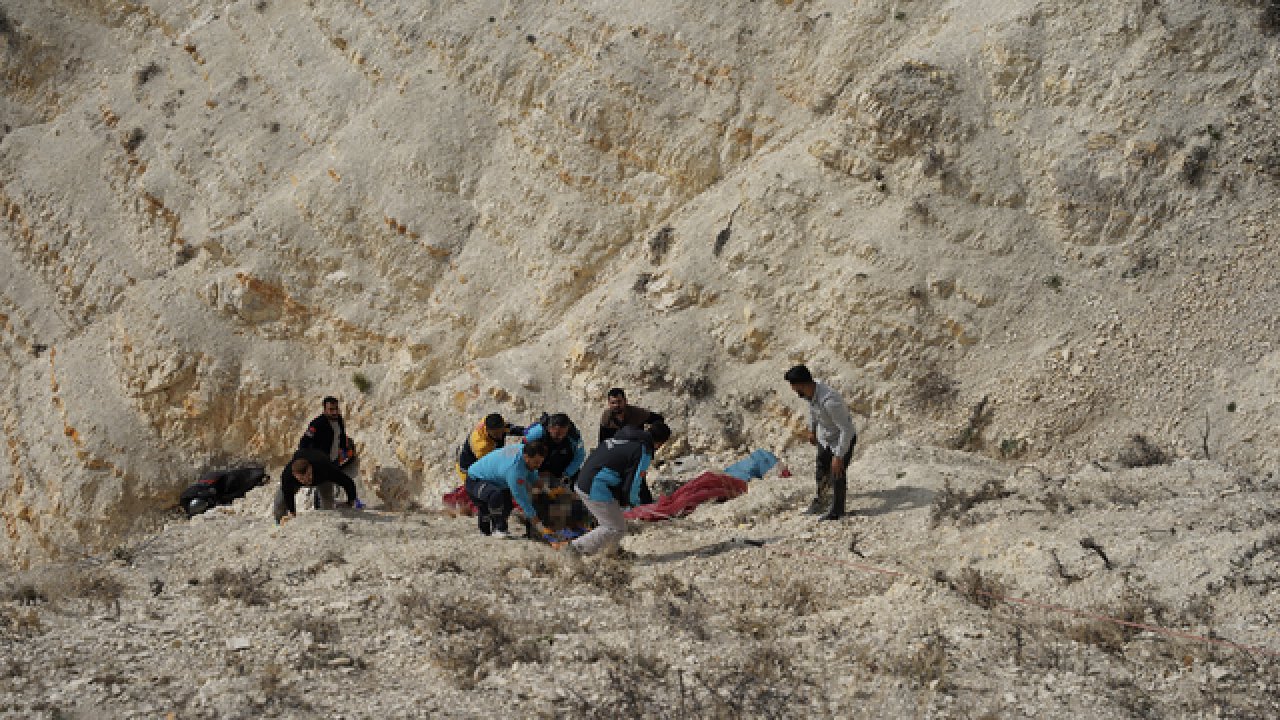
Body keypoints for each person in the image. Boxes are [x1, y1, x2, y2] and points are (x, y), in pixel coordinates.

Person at [561, 422, 671, 555]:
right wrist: (635, 504)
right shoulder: (643, 451)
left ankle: (610, 553)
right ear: (661, 443)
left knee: (613, 521)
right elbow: (634, 484)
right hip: (595, 486)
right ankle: (574, 549)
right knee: (616, 528)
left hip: (584, 481)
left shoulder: (625, 436)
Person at [784, 364, 857, 521]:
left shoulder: (830, 401)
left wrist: (838, 456)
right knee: (821, 469)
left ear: (802, 384)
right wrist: (812, 430)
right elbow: (812, 410)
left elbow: (847, 430)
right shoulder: (811, 392)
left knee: (837, 473)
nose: (794, 391)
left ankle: (837, 511)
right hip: (826, 438)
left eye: (795, 387)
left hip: (841, 439)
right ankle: (821, 502)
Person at [464, 439, 551, 539]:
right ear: (526, 458)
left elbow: (532, 473)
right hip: (475, 480)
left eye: (540, 463)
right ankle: (498, 529)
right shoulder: (514, 471)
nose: (538, 466)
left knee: (507, 505)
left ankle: (494, 528)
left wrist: (547, 490)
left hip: (496, 480)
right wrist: (540, 527)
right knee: (493, 498)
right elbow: (523, 500)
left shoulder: (522, 449)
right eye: (536, 462)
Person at [597, 389, 664, 504]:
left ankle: (644, 504)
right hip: (617, 454)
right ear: (609, 404)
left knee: (638, 478)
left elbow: (658, 419)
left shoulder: (637, 413)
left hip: (636, 453)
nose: (616, 405)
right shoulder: (606, 417)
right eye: (613, 403)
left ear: (625, 401)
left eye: (619, 402)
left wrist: (648, 435)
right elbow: (603, 441)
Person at [272, 448, 363, 524]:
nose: (306, 481)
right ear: (294, 475)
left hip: (321, 477)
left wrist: (350, 501)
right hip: (301, 469)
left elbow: (347, 482)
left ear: (311, 468)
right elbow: (288, 494)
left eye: (308, 476)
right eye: (302, 479)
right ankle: (279, 524)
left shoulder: (325, 468)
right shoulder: (287, 476)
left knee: (327, 503)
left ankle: (327, 525)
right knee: (279, 503)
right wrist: (292, 512)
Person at [455, 412, 526, 481]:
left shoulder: (493, 422)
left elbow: (510, 429)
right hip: (468, 471)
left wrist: (527, 431)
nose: (500, 436)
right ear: (488, 431)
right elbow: (492, 465)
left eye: (501, 432)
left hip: (488, 451)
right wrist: (519, 451)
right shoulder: (482, 446)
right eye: (496, 434)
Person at [299, 396, 356, 467]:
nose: (335, 412)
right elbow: (304, 442)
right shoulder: (316, 424)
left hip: (335, 459)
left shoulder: (339, 419)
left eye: (336, 408)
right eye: (331, 409)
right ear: (325, 410)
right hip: (321, 462)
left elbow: (341, 435)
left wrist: (344, 447)